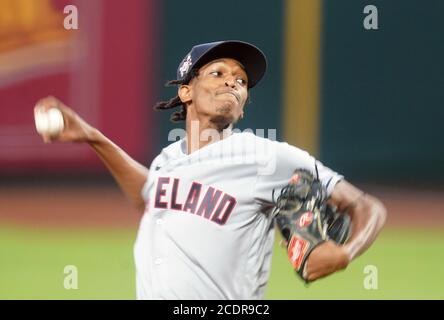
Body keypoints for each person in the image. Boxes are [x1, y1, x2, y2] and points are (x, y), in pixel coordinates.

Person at [34, 40, 387, 300]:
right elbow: (150, 197)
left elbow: (366, 206)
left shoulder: (269, 157)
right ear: (186, 92)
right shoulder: (167, 159)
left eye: (241, 81)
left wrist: (345, 253)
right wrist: (94, 138)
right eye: (218, 73)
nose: (232, 82)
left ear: (244, 106)